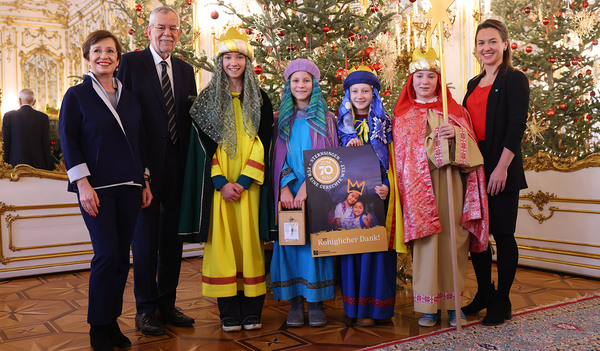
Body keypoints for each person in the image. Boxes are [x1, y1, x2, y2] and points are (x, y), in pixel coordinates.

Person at [59, 30, 152, 351]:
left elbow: (139, 141)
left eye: (110, 51)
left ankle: (112, 322)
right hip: (95, 188)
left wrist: (145, 180)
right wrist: (82, 184)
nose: (104, 56)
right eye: (97, 51)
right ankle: (98, 327)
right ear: (87, 58)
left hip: (130, 186)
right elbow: (69, 141)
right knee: (106, 254)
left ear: (118, 58)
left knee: (120, 258)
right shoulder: (77, 95)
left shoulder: (129, 96)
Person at [179, 27, 273, 332]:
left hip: (250, 185)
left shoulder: (260, 98)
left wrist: (245, 181)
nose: (234, 63)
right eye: (228, 57)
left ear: (248, 61)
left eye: (240, 57)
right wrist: (220, 182)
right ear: (220, 62)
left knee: (250, 244)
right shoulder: (208, 100)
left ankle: (252, 309)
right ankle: (228, 311)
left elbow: (264, 142)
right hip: (220, 188)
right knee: (223, 245)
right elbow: (203, 148)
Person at [392, 48, 489, 328]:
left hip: (450, 184)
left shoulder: (454, 111)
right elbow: (402, 156)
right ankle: (428, 306)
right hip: (419, 189)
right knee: (427, 244)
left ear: (439, 80)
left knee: (453, 242)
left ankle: (452, 304)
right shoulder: (403, 115)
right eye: (419, 76)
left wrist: (455, 134)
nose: (425, 81)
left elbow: (472, 154)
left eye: (431, 76)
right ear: (411, 81)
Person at [116, 6, 197, 335]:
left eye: (173, 28)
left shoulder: (186, 69)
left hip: (178, 165)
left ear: (179, 33)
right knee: (146, 239)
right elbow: (123, 117)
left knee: (173, 239)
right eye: (161, 27)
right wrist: (139, 169)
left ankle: (166, 303)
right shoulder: (131, 64)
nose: (168, 33)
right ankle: (145, 309)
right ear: (148, 31)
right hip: (144, 168)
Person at [461, 19, 529, 326]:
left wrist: (501, 168)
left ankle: (502, 300)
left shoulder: (515, 79)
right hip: (475, 165)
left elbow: (516, 128)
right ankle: (484, 293)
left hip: (502, 162)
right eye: (480, 43)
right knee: (477, 234)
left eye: (492, 41)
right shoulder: (473, 84)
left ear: (505, 44)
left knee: (502, 233)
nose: (486, 47)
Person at [271, 58, 337, 328]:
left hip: (316, 190)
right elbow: (275, 158)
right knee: (290, 245)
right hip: (288, 194)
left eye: (306, 80)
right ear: (289, 84)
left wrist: (310, 186)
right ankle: (295, 303)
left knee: (315, 246)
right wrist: (285, 187)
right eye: (295, 80)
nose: (301, 85)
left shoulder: (327, 118)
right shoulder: (279, 119)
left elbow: (330, 156)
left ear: (314, 84)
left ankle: (316, 301)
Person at [336, 66, 402, 327]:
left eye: (366, 90)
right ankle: (354, 308)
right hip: (349, 197)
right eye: (355, 91)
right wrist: (346, 147)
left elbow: (393, 161)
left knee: (376, 249)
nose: (360, 95)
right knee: (353, 249)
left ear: (374, 94)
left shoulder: (385, 124)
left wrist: (387, 186)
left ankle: (378, 309)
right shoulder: (340, 125)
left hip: (378, 198)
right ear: (348, 94)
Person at [2, 89, 52, 170]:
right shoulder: (43, 117)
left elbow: (5, 143)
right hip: (38, 166)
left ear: (19, 100)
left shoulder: (8, 116)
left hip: (15, 165)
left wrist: (4, 165)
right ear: (34, 102)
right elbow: (46, 144)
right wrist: (47, 166)